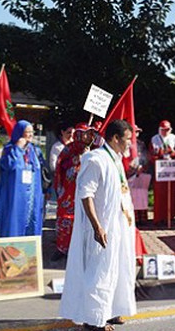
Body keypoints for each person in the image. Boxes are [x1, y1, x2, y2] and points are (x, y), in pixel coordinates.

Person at [59, 119, 136, 330]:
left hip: (119, 226)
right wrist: (97, 227)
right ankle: (94, 320)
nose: (131, 143)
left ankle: (110, 311)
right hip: (102, 228)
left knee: (117, 269)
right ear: (115, 138)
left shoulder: (116, 159)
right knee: (99, 272)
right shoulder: (96, 159)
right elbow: (86, 194)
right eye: (128, 139)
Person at [51, 123, 101, 261]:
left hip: (87, 191)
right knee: (66, 219)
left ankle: (84, 249)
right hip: (69, 191)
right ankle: (62, 248)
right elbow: (60, 166)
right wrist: (75, 162)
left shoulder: (95, 150)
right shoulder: (69, 149)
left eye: (90, 133)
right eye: (84, 133)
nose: (87, 136)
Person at [0, 120, 45, 237]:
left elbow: (41, 169)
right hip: (15, 195)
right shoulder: (9, 149)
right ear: (19, 133)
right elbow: (9, 165)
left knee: (32, 223)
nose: (31, 135)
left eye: (32, 132)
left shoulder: (34, 150)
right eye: (27, 132)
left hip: (33, 195)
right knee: (14, 223)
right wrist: (18, 148)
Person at [150, 120, 175, 225]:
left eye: (167, 130)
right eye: (163, 130)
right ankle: (159, 217)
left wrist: (173, 154)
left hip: (171, 170)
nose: (165, 132)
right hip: (160, 170)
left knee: (171, 193)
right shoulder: (154, 139)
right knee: (160, 194)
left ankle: (171, 216)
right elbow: (151, 155)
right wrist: (160, 155)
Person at [127, 125, 151, 225]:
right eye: (134, 132)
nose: (136, 134)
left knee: (142, 196)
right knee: (131, 196)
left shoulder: (141, 143)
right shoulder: (127, 144)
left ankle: (142, 218)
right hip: (130, 173)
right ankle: (133, 218)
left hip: (141, 172)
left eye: (137, 132)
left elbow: (146, 156)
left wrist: (142, 167)